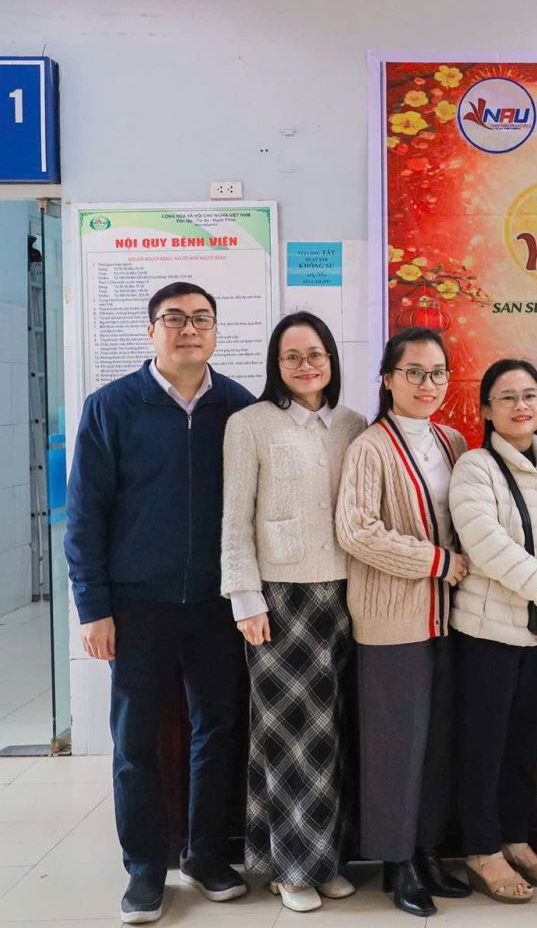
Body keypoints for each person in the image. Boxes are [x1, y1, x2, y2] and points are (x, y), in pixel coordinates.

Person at [66, 281, 255, 925]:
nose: (189, 329)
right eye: (174, 318)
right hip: (135, 604)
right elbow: (85, 517)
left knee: (219, 730)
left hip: (217, 603)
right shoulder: (112, 407)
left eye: (202, 318)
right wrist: (93, 608)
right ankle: (145, 868)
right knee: (135, 741)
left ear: (216, 331)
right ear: (151, 331)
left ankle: (206, 855)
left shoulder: (238, 407)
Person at [219, 312, 366, 912]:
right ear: (276, 365)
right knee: (286, 735)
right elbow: (234, 517)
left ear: (331, 359)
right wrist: (244, 599)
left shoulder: (353, 424)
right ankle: (291, 868)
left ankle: (323, 859)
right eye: (292, 357)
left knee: (331, 732)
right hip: (278, 599)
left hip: (345, 595)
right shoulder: (249, 424)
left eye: (316, 355)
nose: (306, 366)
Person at [335, 327, 471, 918]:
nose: (427, 383)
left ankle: (427, 849)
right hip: (392, 620)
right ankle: (397, 862)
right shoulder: (370, 447)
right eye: (413, 372)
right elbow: (356, 531)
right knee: (395, 745)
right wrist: (436, 561)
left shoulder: (453, 441)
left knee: (436, 743)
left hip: (448, 617)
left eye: (437, 372)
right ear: (388, 379)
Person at [447, 358, 537, 904]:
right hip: (486, 631)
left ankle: (515, 838)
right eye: (506, 397)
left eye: (530, 395)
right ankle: (481, 850)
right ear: (486, 409)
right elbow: (486, 547)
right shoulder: (474, 467)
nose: (521, 406)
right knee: (484, 744)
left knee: (526, 742)